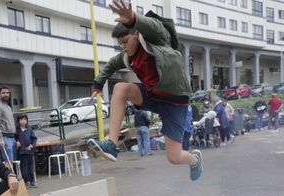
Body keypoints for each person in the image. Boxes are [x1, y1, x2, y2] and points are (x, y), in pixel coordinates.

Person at [86, 0, 202, 181]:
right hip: (153, 96)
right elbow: (110, 66)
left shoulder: (155, 41)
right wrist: (98, 85)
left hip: (175, 102)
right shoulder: (126, 57)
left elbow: (155, 26)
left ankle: (195, 160)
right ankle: (111, 144)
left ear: (136, 34)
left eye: (125, 41)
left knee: (174, 157)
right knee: (121, 88)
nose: (123, 47)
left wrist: (132, 18)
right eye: (120, 44)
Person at [0, 85, 16, 164]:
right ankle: (9, 176)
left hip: (12, 138)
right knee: (8, 163)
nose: (6, 94)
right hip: (4, 138)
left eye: (7, 93)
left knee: (13, 162)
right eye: (3, 93)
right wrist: (0, 139)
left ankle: (13, 176)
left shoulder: (8, 107)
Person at [15, 113, 37, 188]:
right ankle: (26, 181)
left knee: (31, 168)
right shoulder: (16, 130)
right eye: (21, 119)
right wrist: (16, 141)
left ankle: (32, 181)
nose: (23, 121)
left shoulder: (29, 129)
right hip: (21, 152)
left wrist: (32, 145)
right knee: (23, 168)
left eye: (25, 119)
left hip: (29, 152)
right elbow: (15, 138)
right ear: (18, 121)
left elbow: (34, 139)